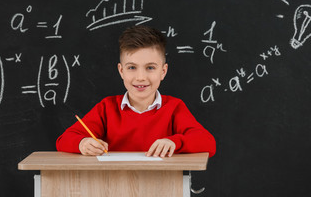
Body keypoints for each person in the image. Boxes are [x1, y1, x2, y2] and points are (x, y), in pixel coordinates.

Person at [56, 26, 216, 158]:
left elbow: (208, 143)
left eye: (150, 68)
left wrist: (175, 142)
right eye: (132, 67)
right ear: (121, 71)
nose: (140, 77)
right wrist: (82, 143)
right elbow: (63, 140)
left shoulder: (174, 107)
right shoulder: (107, 108)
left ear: (163, 71)